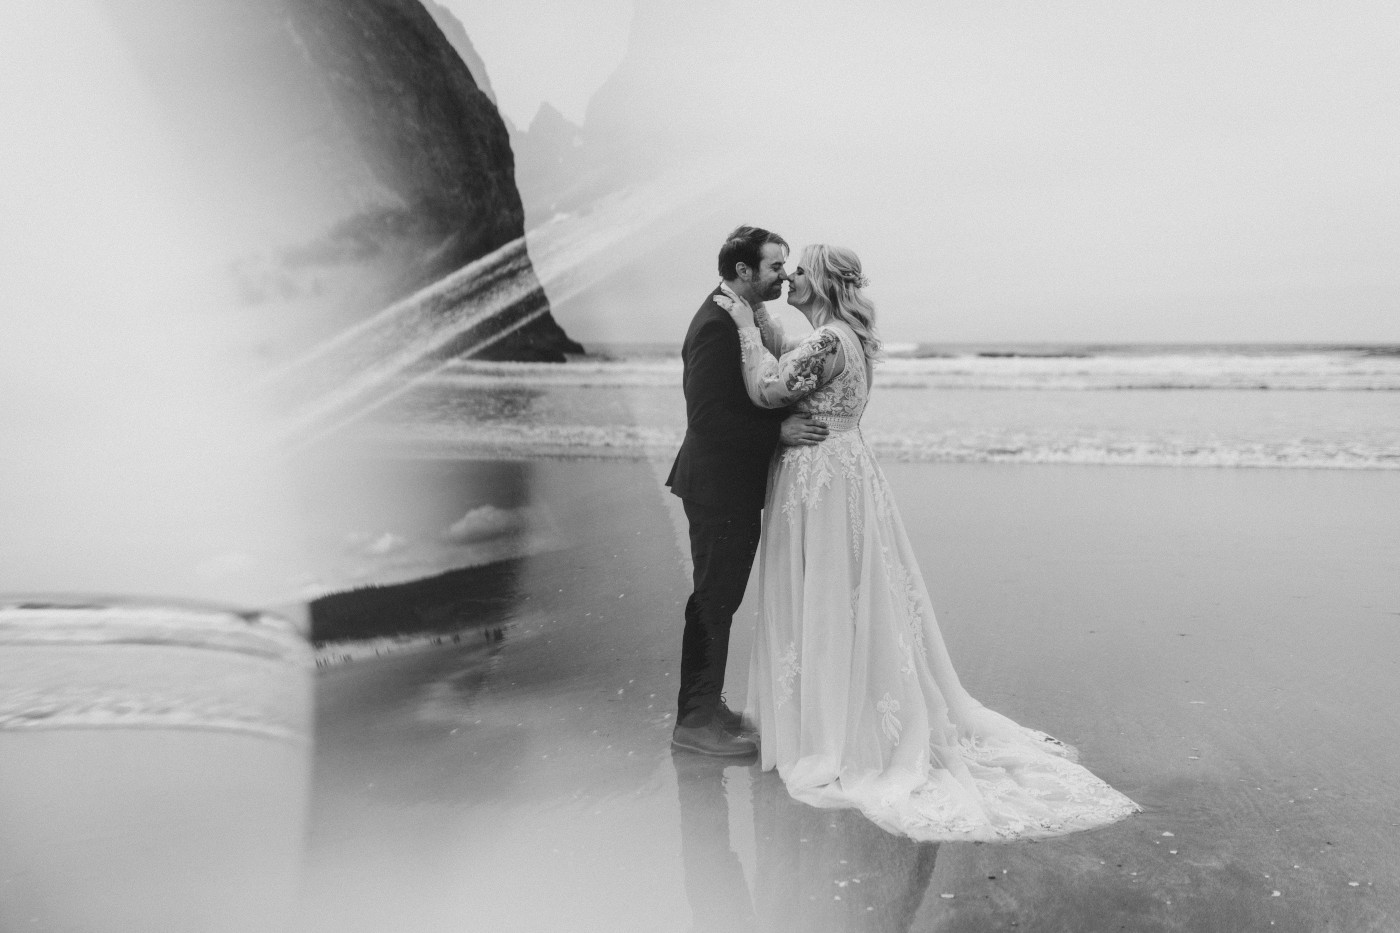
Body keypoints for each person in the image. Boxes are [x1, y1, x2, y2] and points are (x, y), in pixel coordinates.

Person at [718, 243, 1141, 840]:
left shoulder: (827, 342)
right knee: (852, 594)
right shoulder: (846, 337)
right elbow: (790, 356)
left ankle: (834, 730)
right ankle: (836, 708)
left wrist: (742, 323)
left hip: (822, 479)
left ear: (818, 282)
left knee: (833, 592)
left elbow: (767, 388)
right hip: (846, 474)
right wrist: (764, 322)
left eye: (798, 271)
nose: (787, 278)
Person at [666, 226, 829, 758]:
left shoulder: (744, 317)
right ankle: (693, 721)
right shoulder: (715, 324)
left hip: (730, 483)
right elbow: (707, 418)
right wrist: (776, 432)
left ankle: (707, 705)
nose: (783, 275)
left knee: (722, 597)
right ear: (744, 271)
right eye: (775, 266)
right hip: (716, 485)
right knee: (713, 598)